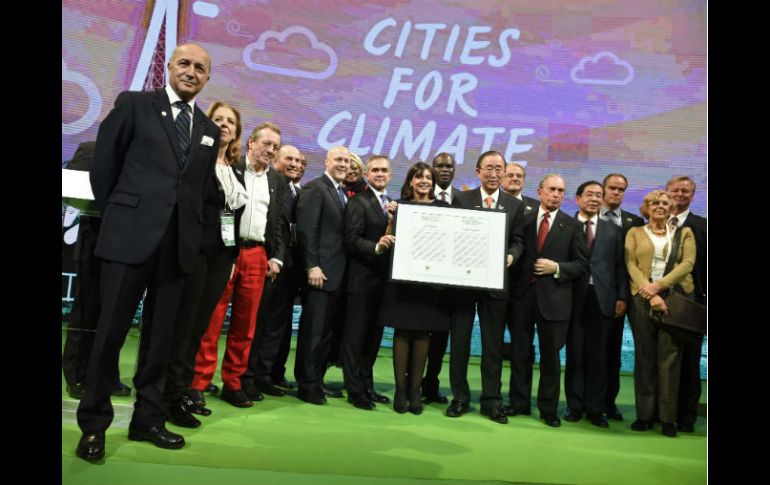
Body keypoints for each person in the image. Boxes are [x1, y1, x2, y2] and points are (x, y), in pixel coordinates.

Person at [76, 43, 220, 462]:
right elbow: (106, 166)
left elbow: (196, 192)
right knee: (111, 335)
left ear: (208, 78)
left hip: (177, 250)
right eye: (185, 64)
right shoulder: (135, 105)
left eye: (200, 68)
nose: (191, 72)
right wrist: (123, 215)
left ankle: (148, 420)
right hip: (128, 239)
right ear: (170, 68)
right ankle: (94, 426)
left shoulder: (208, 130)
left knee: (161, 341)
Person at [162, 101, 248, 428]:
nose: (224, 125)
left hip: (222, 256)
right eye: (218, 119)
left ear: (237, 132)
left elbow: (231, 215)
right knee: (183, 327)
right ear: (206, 124)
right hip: (194, 252)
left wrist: (231, 257)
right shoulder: (196, 160)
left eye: (231, 121)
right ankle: (169, 394)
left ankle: (182, 391)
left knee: (198, 328)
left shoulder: (234, 168)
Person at [191, 122, 288, 407]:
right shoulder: (232, 169)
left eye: (275, 147)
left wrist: (276, 256)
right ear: (251, 144)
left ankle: (233, 383)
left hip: (258, 255)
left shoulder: (277, 181)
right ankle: (198, 383)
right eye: (266, 144)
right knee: (213, 320)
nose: (271, 151)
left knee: (246, 325)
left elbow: (279, 223)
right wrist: (227, 250)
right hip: (227, 252)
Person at [446, 151, 525, 424]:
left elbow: (518, 240)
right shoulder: (462, 199)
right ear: (478, 172)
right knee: (459, 344)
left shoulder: (514, 205)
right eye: (488, 168)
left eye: (498, 169)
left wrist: (511, 256)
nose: (493, 173)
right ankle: (460, 397)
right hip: (464, 284)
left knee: (492, 347)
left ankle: (491, 401)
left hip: (496, 285)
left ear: (504, 173)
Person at [507, 174, 589, 427]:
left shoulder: (572, 225)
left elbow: (581, 265)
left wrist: (556, 267)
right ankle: (519, 403)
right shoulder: (524, 219)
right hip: (522, 298)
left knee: (550, 358)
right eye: (551, 189)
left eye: (561, 191)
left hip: (555, 301)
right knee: (520, 353)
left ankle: (548, 409)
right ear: (540, 192)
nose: (556, 194)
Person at [378, 162, 452, 414]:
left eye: (428, 177)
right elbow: (387, 239)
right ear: (410, 181)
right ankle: (400, 389)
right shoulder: (398, 207)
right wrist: (389, 219)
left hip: (430, 283)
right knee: (402, 333)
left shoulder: (444, 209)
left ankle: (415, 390)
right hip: (402, 279)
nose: (424, 181)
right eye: (418, 177)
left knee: (423, 334)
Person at [62, 141, 131, 400]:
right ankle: (76, 375)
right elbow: (72, 188)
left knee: (116, 317)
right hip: (94, 242)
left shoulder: (142, 154)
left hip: (127, 244)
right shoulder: (91, 148)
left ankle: (106, 374)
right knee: (86, 312)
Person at [625, 189, 695, 437]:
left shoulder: (684, 232)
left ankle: (667, 419)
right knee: (644, 358)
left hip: (674, 300)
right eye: (655, 202)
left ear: (671, 208)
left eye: (665, 203)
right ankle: (644, 415)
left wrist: (660, 287)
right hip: (642, 299)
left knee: (670, 360)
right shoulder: (634, 232)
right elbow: (631, 263)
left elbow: (687, 264)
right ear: (646, 207)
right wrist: (650, 293)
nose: (660, 206)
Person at [242, 144, 306, 396]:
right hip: (266, 263)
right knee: (258, 324)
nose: (296, 164)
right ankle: (248, 376)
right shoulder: (271, 184)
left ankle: (264, 374)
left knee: (276, 326)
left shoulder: (296, 189)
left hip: (286, 269)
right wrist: (273, 258)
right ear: (276, 159)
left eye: (300, 161)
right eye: (289, 159)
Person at [564, 181, 627, 428]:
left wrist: (622, 296)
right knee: (575, 354)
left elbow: (620, 266)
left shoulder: (613, 230)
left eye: (598, 195)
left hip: (603, 299)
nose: (593, 199)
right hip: (573, 298)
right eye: (588, 194)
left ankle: (595, 408)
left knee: (599, 356)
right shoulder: (566, 225)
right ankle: (574, 405)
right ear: (578, 199)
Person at [294, 146, 351, 405]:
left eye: (347, 161)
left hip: (336, 276)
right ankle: (306, 385)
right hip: (320, 273)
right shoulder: (315, 188)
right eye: (338, 159)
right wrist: (311, 266)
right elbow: (306, 230)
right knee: (313, 333)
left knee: (325, 334)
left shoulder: (341, 193)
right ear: (327, 161)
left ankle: (316, 380)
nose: (343, 164)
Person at [341, 155, 395, 410]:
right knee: (355, 338)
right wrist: (376, 247)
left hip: (384, 285)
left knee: (373, 339)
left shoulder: (394, 205)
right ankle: (354, 390)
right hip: (361, 282)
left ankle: (367, 385)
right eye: (375, 170)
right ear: (368, 174)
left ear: (390, 175)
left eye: (384, 170)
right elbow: (351, 240)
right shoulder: (359, 202)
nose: (380, 174)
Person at [599, 173, 644, 421]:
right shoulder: (585, 218)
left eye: (621, 189)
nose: (616, 192)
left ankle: (609, 403)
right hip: (590, 296)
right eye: (612, 188)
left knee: (612, 354)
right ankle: (583, 401)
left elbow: (630, 265)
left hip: (619, 298)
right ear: (603, 189)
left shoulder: (634, 223)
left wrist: (623, 297)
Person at [666, 175, 706, 433]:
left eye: (686, 191)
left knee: (690, 362)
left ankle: (687, 416)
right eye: (676, 190)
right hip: (656, 301)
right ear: (667, 192)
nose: (680, 194)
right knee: (663, 360)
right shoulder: (653, 223)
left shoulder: (702, 226)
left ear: (692, 196)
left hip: (692, 303)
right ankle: (663, 412)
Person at [420, 152, 461, 404]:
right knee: (418, 334)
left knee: (440, 339)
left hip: (450, 286)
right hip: (421, 282)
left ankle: (431, 384)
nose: (444, 170)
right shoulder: (419, 196)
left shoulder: (464, 199)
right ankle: (412, 382)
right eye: (439, 166)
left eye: (449, 166)